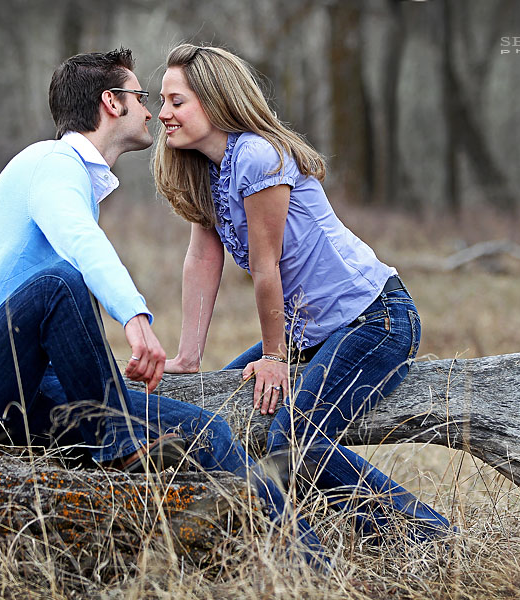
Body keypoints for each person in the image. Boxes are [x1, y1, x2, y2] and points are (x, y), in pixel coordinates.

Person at [0, 49, 324, 560]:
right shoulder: (51, 164)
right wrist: (135, 318)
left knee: (206, 430)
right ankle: (116, 442)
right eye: (139, 98)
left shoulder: (61, 175)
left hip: (19, 386)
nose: (151, 111)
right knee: (58, 284)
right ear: (111, 103)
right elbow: (79, 241)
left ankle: (308, 564)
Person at [153, 43, 451, 542]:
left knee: (295, 437)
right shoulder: (203, 168)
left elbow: (268, 268)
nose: (162, 113)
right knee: (216, 421)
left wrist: (273, 356)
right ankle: (263, 537)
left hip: (372, 318)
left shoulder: (257, 155)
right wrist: (187, 356)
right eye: (161, 100)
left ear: (215, 99)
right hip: (309, 333)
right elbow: (203, 260)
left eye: (176, 101)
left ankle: (426, 537)